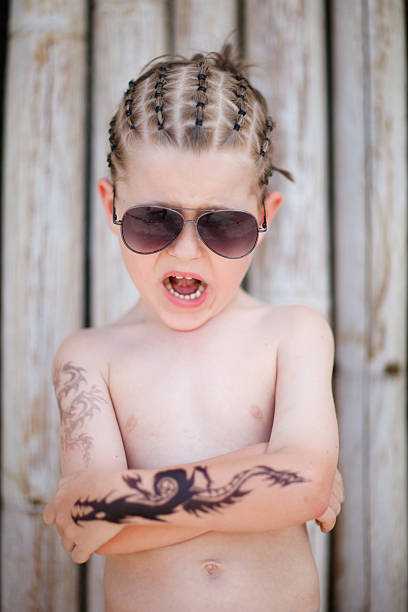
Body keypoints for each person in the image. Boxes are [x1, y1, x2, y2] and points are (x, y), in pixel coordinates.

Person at [43, 43, 344, 612]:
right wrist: (266, 476)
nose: (187, 252)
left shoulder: (294, 334)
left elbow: (302, 482)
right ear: (111, 205)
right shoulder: (89, 358)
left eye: (223, 225)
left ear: (263, 219)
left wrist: (118, 501)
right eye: (153, 220)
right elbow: (87, 527)